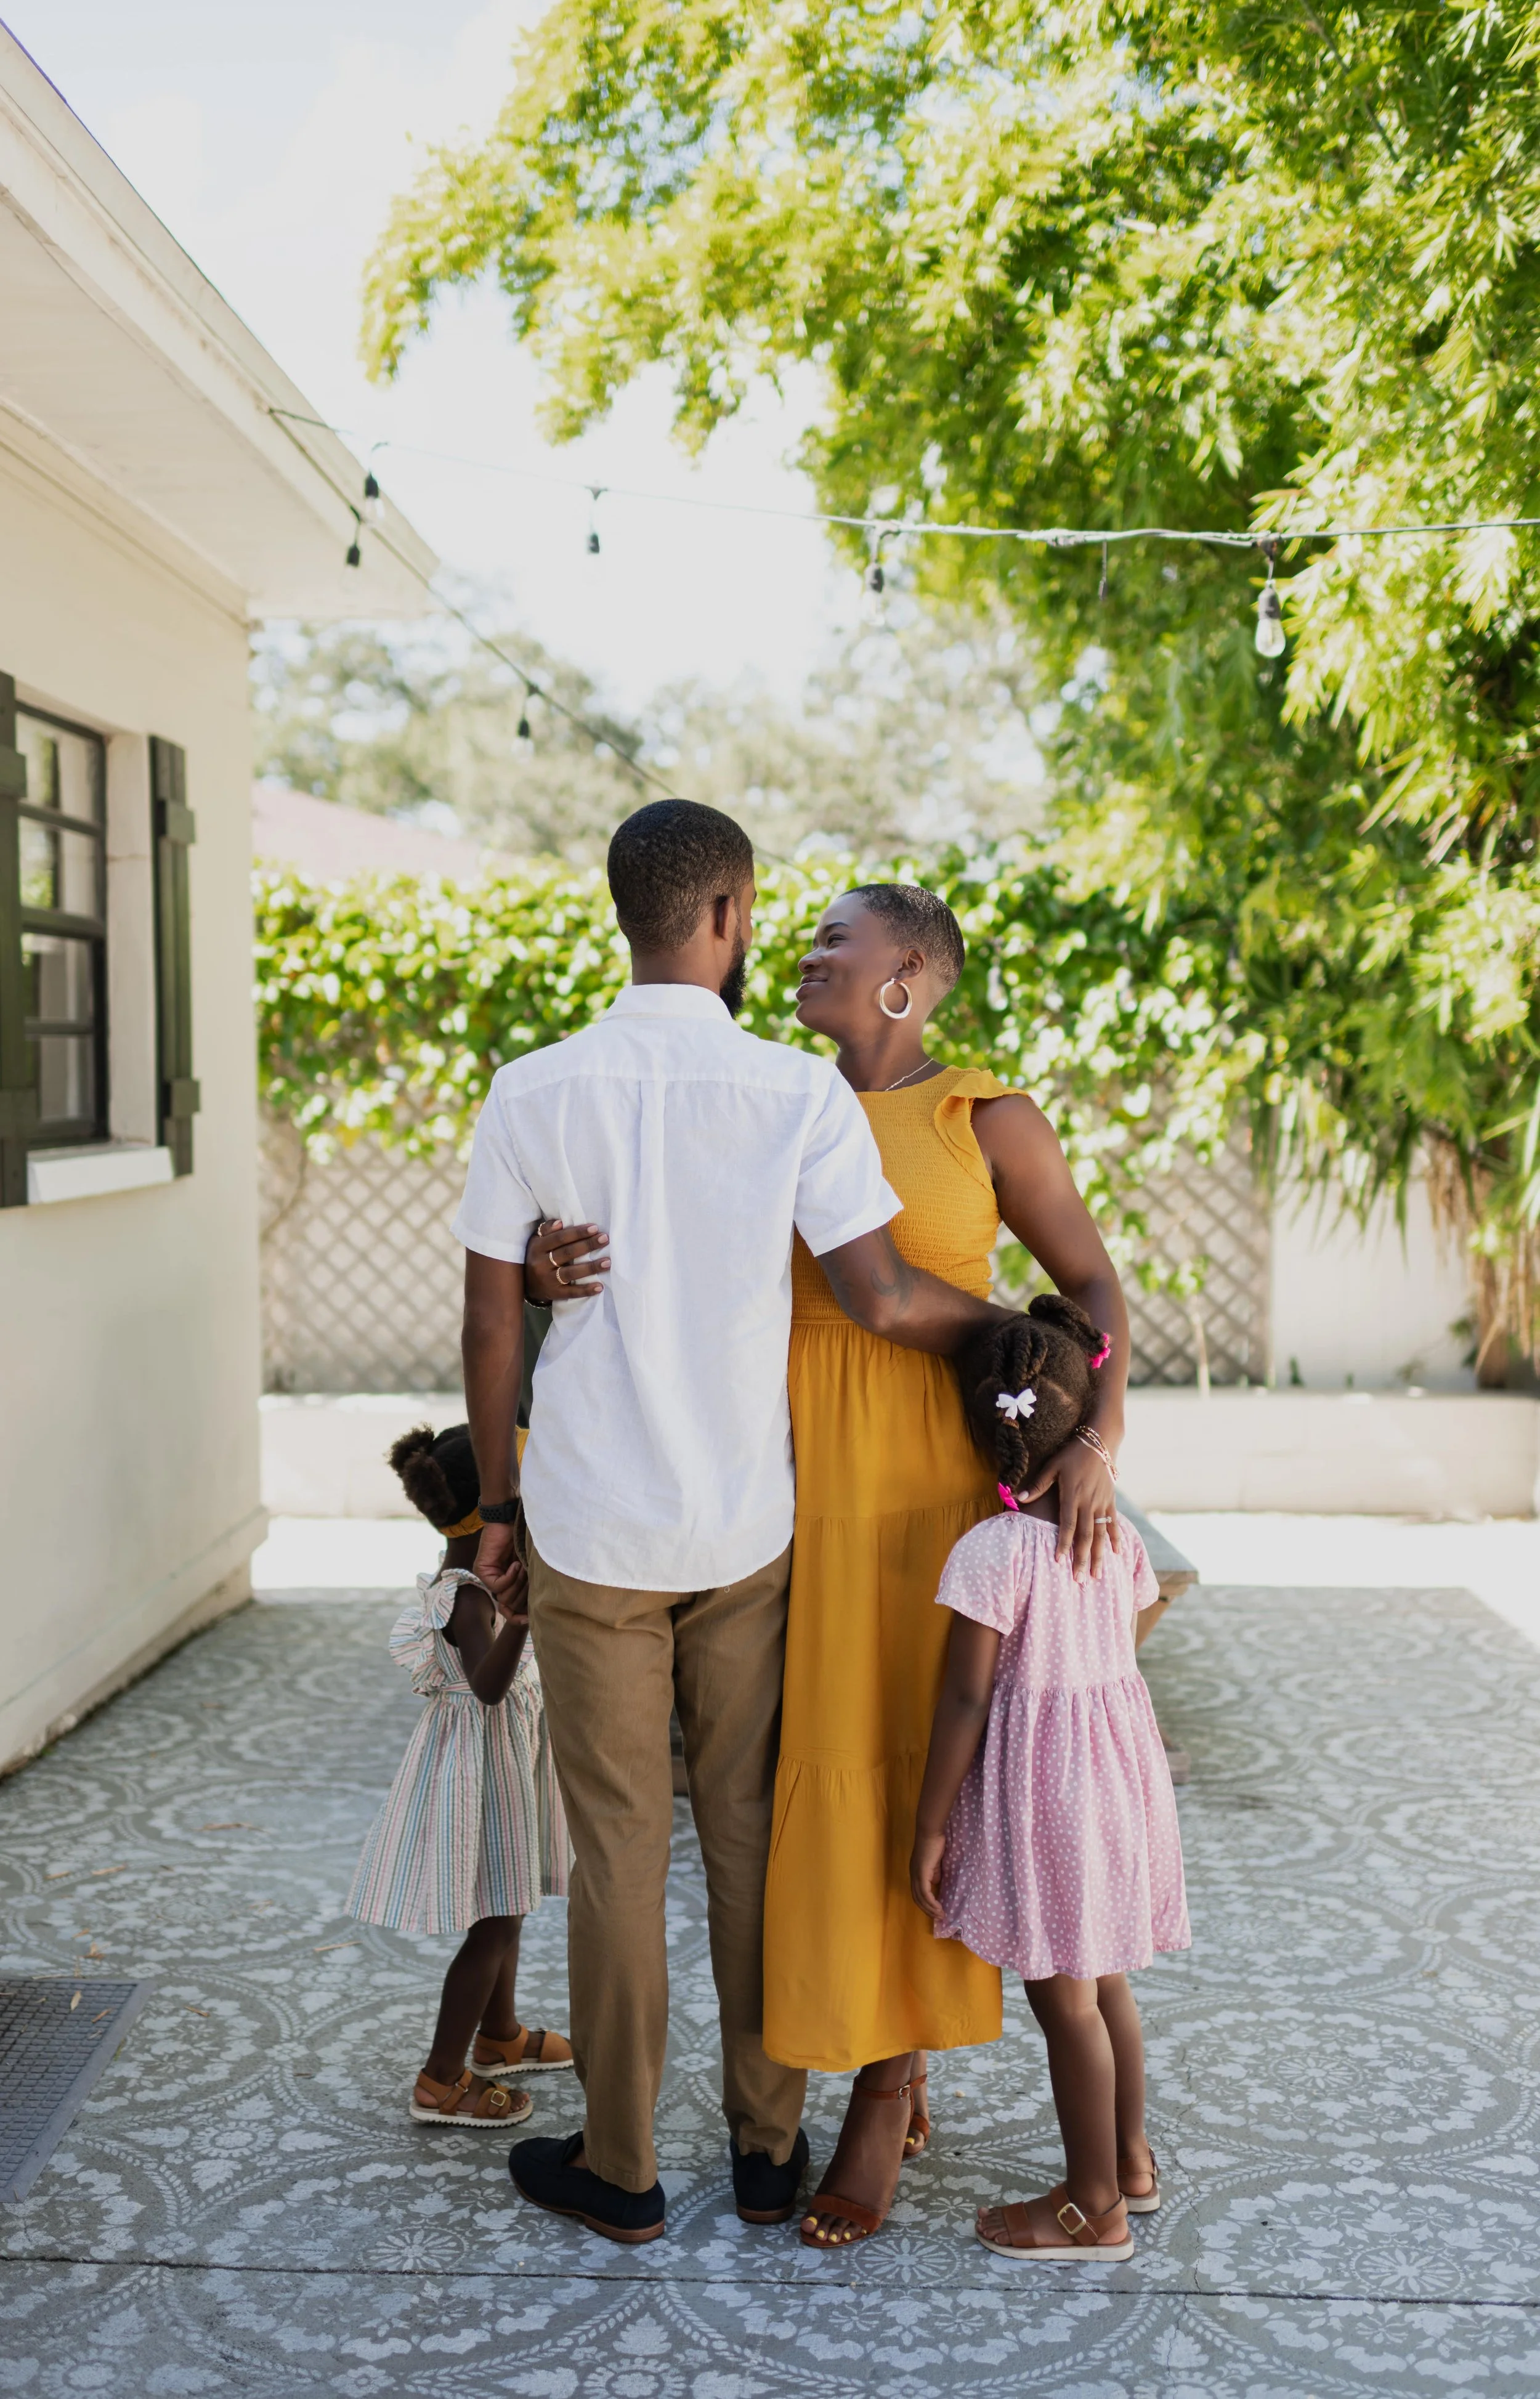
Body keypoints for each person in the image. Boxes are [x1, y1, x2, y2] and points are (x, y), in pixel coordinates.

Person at [532, 880, 1134, 2249]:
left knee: (935, 1771)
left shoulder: (984, 1115)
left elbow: (1091, 1290)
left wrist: (1095, 1439)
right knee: (836, 1790)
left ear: (909, 972)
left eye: (836, 939)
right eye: (798, 935)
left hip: (933, 1490)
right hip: (784, 1482)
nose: (803, 951)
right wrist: (537, 1267)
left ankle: (892, 2089)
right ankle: (873, 2056)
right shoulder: (766, 1094)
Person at [452, 799, 1008, 2246]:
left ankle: (622, 2168)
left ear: (625, 914)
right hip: (746, 1528)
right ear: (730, 916)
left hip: (589, 1526)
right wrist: (1020, 1336)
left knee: (620, 1852)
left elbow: (490, 1326)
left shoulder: (532, 1089)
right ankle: (768, 2155)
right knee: (749, 1839)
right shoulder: (795, 1093)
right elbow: (880, 1294)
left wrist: (495, 1507)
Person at [909, 1303, 1189, 2261]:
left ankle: (1093, 2206)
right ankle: (1132, 2161)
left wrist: (931, 1824)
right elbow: (1128, 1630)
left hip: (1049, 1795)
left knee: (1063, 2000)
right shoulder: (1116, 1535)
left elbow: (964, 1698)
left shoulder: (990, 1551)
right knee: (1104, 1980)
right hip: (1121, 1775)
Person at [346, 1423, 571, 2126]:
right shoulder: (468, 1595)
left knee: (510, 1903)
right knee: (496, 1922)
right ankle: (440, 2080)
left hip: (499, 1762)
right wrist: (522, 1621)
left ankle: (499, 2037)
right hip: (479, 1772)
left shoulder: (471, 1576)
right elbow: (488, 1688)